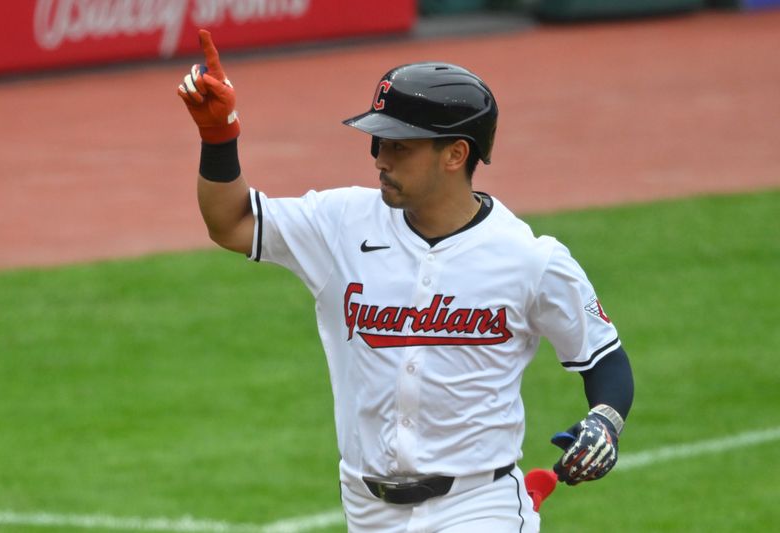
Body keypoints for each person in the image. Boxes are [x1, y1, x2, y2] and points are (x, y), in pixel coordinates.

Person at [178, 30, 634, 533]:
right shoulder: (341, 224)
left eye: (399, 145)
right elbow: (232, 223)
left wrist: (605, 423)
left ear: (456, 154)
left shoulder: (528, 258)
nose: (379, 158)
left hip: (478, 505)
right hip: (366, 507)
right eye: (377, 141)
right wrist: (219, 137)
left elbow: (603, 356)